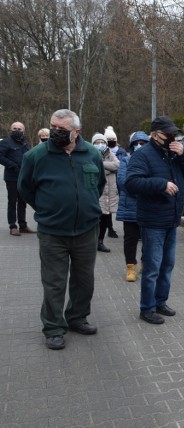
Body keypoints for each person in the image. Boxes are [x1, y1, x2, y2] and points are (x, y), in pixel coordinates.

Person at [17, 109, 106, 350]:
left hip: (87, 230)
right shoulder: (36, 156)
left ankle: (77, 318)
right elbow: (25, 189)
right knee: (54, 283)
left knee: (84, 280)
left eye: (62, 129)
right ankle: (54, 328)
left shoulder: (91, 154)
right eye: (52, 127)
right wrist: (48, 210)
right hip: (53, 233)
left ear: (76, 132)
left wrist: (83, 208)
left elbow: (98, 186)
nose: (55, 132)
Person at [125, 116, 184, 325]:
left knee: (167, 265)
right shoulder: (143, 155)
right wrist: (160, 184)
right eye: (168, 134)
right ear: (155, 135)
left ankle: (160, 302)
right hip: (153, 219)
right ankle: (147, 308)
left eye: (175, 134)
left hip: (171, 218)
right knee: (152, 267)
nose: (172, 138)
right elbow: (131, 182)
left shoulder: (174, 154)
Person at [116, 131, 149, 282]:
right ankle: (130, 266)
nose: (139, 146)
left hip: (148, 206)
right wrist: (141, 190)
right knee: (130, 239)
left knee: (148, 238)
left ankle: (145, 262)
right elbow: (122, 182)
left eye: (142, 143)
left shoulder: (151, 161)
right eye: (136, 144)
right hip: (130, 205)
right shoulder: (126, 161)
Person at [0, 121, 35, 236]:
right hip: (12, 177)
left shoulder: (25, 143)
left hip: (24, 176)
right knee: (12, 201)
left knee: (23, 201)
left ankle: (23, 225)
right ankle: (12, 226)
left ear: (23, 131)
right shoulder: (5, 143)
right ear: (11, 130)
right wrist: (12, 165)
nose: (17, 130)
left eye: (19, 129)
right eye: (14, 128)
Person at [92, 133, 120, 253]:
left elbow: (116, 165)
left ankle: (100, 241)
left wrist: (100, 164)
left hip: (109, 193)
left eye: (102, 142)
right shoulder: (89, 154)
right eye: (97, 143)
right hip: (96, 193)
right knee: (94, 219)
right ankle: (91, 242)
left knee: (105, 219)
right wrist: (108, 169)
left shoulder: (110, 154)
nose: (100, 145)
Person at [103, 125, 125, 238]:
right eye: (109, 140)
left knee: (116, 205)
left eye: (113, 140)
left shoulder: (122, 152)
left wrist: (106, 166)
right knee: (107, 208)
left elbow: (118, 166)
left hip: (119, 181)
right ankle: (109, 228)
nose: (111, 141)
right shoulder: (104, 152)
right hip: (108, 183)